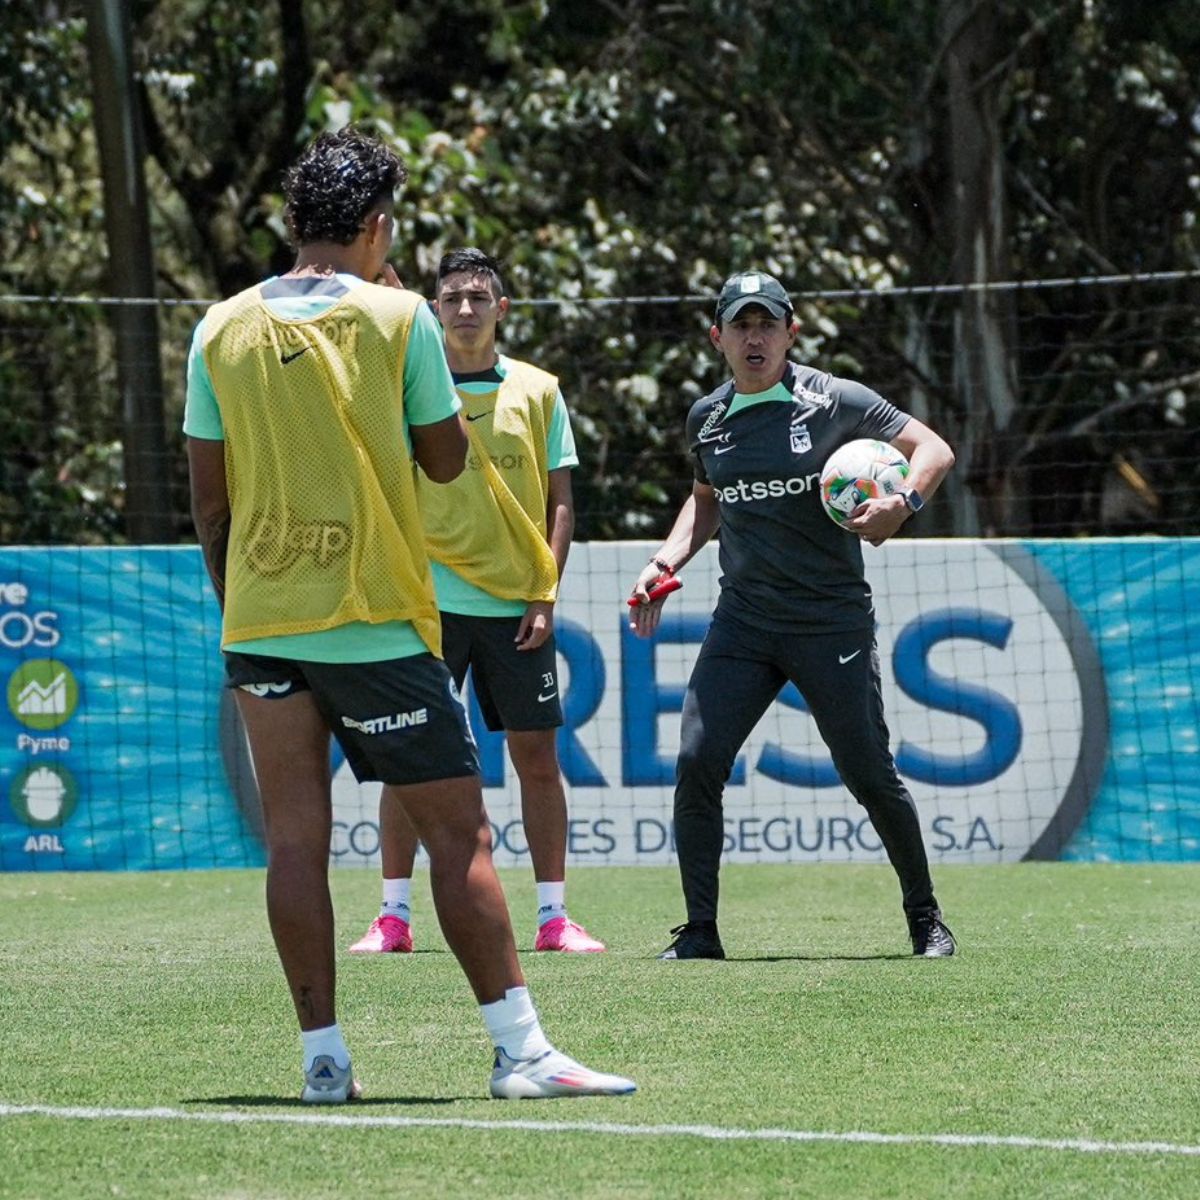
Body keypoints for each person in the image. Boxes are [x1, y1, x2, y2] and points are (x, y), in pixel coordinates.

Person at [185, 128, 634, 1103]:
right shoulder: (398, 320)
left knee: (297, 842)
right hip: (376, 618)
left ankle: (323, 1063)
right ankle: (521, 1053)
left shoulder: (218, 327)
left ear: (293, 220)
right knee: (460, 837)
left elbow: (208, 500)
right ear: (378, 227)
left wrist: (243, 606)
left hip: (261, 619)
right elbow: (441, 460)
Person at [628, 270, 957, 961]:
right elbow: (706, 500)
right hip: (744, 623)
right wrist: (665, 563)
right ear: (717, 337)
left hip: (829, 622)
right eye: (741, 325)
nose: (755, 337)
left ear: (791, 333)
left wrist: (905, 504)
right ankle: (700, 932)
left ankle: (926, 918)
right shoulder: (707, 419)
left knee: (868, 773)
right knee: (696, 759)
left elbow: (934, 450)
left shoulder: (836, 401)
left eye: (767, 323)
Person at [348, 248, 605, 956]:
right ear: (435, 310)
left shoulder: (539, 390)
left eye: (478, 298)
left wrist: (542, 592)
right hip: (426, 604)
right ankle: (392, 918)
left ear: (502, 310)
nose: (466, 309)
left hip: (516, 608)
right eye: (453, 297)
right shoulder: (409, 388)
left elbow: (560, 504)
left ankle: (554, 919)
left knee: (537, 759)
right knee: (408, 760)